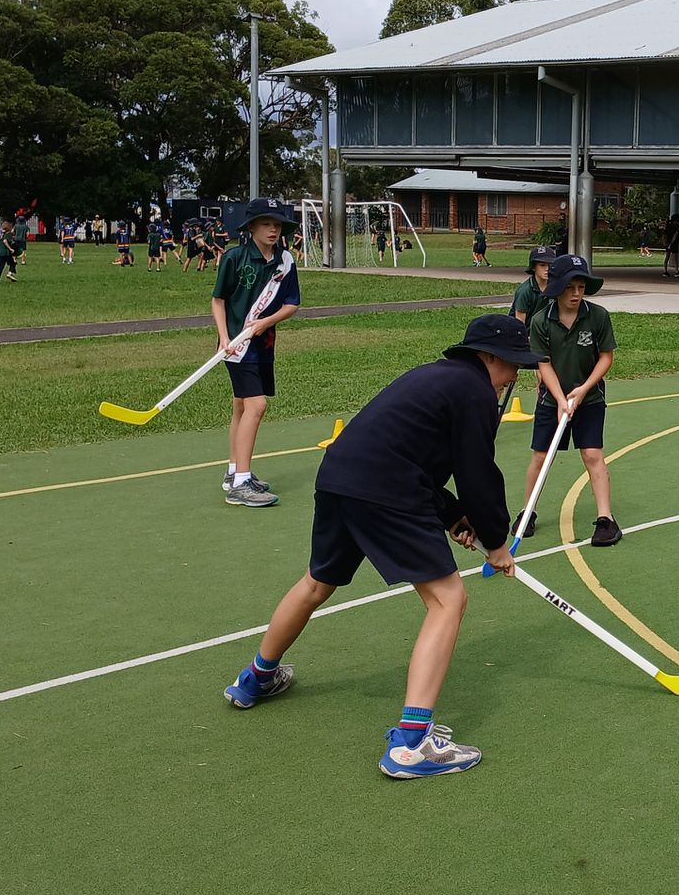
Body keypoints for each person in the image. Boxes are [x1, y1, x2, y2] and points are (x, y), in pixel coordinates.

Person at [220, 314, 530, 779]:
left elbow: (411, 459)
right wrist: (497, 540)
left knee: (317, 582)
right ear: (488, 357)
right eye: (513, 365)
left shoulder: (436, 377)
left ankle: (255, 679)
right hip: (386, 488)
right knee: (448, 599)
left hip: (340, 476)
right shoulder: (474, 392)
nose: (514, 377)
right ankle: (411, 745)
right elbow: (477, 474)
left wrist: (453, 516)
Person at [519, 253, 621, 547]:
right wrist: (560, 399)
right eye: (569, 288)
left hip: (590, 399)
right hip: (552, 401)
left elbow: (606, 357)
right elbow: (544, 363)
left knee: (592, 454)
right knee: (541, 456)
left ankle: (606, 519)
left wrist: (584, 389)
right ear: (557, 288)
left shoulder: (598, 316)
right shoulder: (541, 321)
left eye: (581, 287)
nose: (576, 294)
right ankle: (527, 512)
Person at [212, 197, 303, 507]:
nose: (273, 230)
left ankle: (234, 472)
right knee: (257, 406)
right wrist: (224, 337)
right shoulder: (234, 257)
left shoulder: (285, 261)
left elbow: (292, 304)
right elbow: (218, 301)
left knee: (241, 406)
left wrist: (266, 322)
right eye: (266, 224)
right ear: (251, 227)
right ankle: (241, 485)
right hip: (237, 348)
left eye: (277, 224)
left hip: (263, 345)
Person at [509, 244, 557, 325]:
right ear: (534, 267)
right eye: (542, 265)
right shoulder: (525, 291)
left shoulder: (556, 287)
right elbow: (519, 324)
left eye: (550, 265)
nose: (547, 269)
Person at [0, 218, 20, 284]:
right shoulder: (9, 234)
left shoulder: (1, 235)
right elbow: (5, 241)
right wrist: (11, 249)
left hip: (0, 253)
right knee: (13, 262)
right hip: (6, 253)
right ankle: (10, 273)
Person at [663, 214, 679, 279]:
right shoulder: (676, 227)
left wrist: (665, 242)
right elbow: (675, 235)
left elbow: (664, 234)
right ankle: (676, 271)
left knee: (667, 257)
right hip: (674, 243)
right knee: (675, 257)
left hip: (668, 243)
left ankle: (665, 271)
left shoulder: (668, 226)